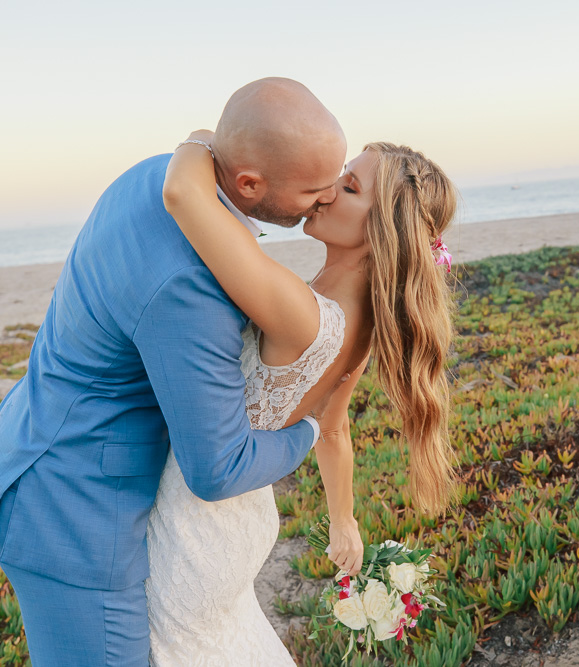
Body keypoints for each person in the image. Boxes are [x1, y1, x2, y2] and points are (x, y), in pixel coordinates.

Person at [0, 78, 347, 666]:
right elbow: (217, 469)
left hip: (33, 445)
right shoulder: (192, 288)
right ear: (249, 184)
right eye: (314, 189)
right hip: (72, 513)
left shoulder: (157, 174)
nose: (326, 199)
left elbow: (195, 147)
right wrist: (310, 432)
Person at [144, 126, 458, 664]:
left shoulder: (302, 312)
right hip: (239, 522)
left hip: (193, 525)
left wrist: (203, 141)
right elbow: (332, 429)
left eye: (351, 187)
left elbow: (182, 195)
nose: (329, 189)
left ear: (382, 230)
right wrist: (344, 520)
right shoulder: (356, 326)